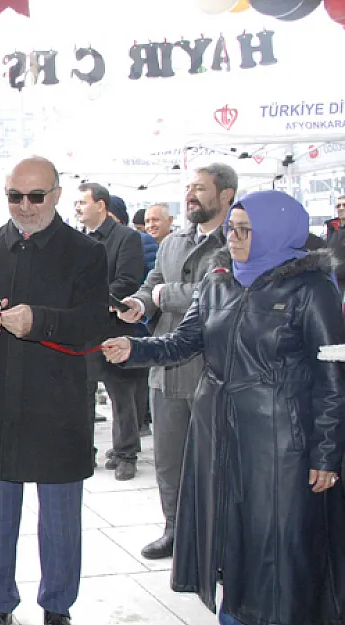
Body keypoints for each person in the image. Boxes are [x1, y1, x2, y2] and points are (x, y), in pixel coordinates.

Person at [103, 190, 345, 625]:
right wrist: (132, 349)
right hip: (217, 432)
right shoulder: (219, 282)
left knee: (275, 545)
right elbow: (184, 341)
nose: (233, 238)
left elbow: (333, 378)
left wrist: (326, 454)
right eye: (232, 229)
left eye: (245, 230)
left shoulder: (311, 289)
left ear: (275, 231)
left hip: (281, 442)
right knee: (227, 538)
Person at [0, 157, 108, 625]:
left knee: (59, 519)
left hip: (57, 403)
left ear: (57, 195)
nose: (24, 206)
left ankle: (57, 606)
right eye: (14, 196)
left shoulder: (85, 253)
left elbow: (94, 323)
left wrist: (40, 321)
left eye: (35, 196)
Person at [117, 163, 235, 561]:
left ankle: (216, 537)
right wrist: (139, 302)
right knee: (168, 459)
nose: (191, 195)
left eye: (201, 188)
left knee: (213, 461)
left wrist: (166, 295)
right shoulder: (173, 241)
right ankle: (174, 528)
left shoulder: (236, 240)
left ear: (226, 195)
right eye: (189, 187)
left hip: (211, 368)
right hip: (165, 369)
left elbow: (218, 292)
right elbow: (154, 283)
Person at [75, 184, 145, 480]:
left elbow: (128, 281)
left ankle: (126, 453)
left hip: (117, 328)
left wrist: (95, 302)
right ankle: (83, 452)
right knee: (83, 394)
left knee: (122, 394)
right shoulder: (78, 241)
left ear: (101, 205)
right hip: (86, 331)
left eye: (82, 202)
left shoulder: (127, 238)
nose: (77, 208)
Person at [323, 194, 345, 286]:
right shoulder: (330, 227)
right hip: (333, 279)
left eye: (344, 205)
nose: (341, 208)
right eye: (338, 206)